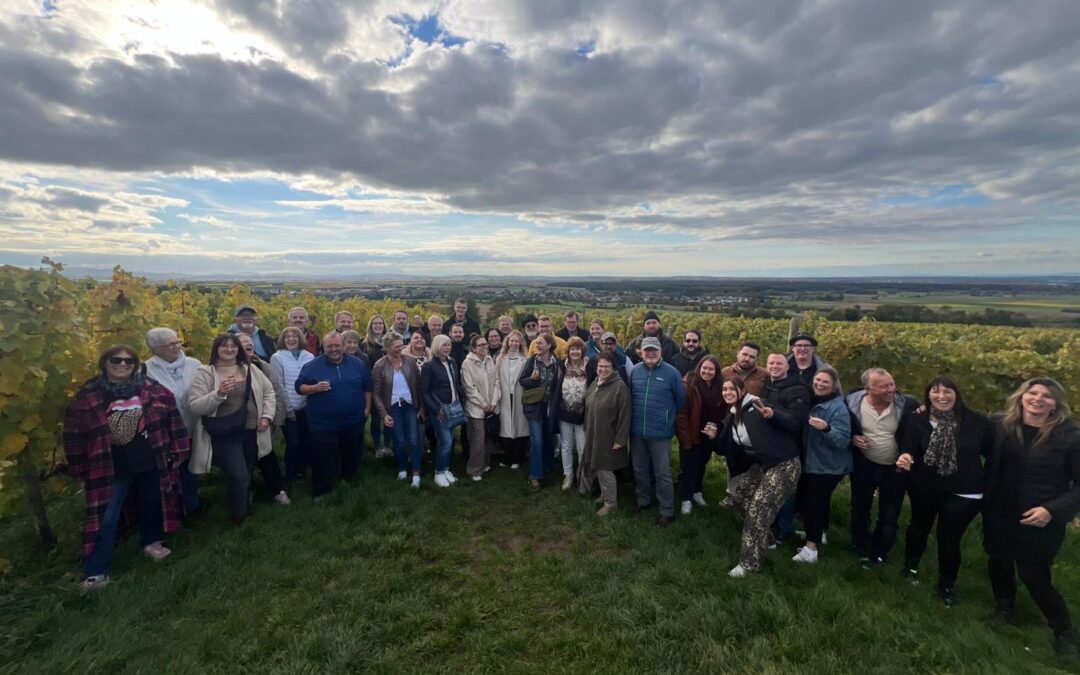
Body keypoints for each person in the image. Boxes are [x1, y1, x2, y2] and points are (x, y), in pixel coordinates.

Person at [64, 344, 189, 591]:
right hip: (109, 468)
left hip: (151, 460)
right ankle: (97, 571)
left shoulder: (152, 390)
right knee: (105, 516)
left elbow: (173, 419)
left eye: (128, 361)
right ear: (104, 363)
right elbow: (74, 436)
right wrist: (79, 468)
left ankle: (151, 542)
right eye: (116, 360)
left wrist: (177, 450)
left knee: (151, 503)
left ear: (136, 365)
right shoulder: (89, 396)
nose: (122, 365)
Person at [983, 378, 1080, 656]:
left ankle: (1063, 631)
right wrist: (919, 409)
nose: (1038, 399)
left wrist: (1052, 510)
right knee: (998, 561)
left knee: (1034, 575)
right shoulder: (1001, 424)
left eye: (1047, 396)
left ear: (1055, 404)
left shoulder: (1070, 436)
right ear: (1021, 396)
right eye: (1033, 392)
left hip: (1040, 517)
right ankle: (1005, 608)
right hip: (999, 510)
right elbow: (966, 426)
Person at [894, 377, 993, 605]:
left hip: (964, 489)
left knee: (949, 538)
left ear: (956, 394)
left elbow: (992, 453)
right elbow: (908, 445)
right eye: (936, 392)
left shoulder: (977, 422)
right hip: (925, 484)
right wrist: (906, 456)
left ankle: (946, 585)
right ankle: (910, 569)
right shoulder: (918, 418)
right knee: (919, 527)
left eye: (947, 391)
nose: (941, 396)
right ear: (928, 395)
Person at [716, 375, 802, 578]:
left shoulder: (758, 404)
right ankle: (768, 539)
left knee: (758, 509)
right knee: (739, 498)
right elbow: (725, 446)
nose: (727, 392)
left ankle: (749, 564)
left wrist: (773, 415)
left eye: (731, 389)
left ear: (742, 390)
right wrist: (713, 437)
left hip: (785, 464)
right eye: (724, 389)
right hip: (763, 464)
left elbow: (793, 424)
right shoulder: (732, 414)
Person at [188, 333, 276, 523]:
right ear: (216, 349)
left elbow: (268, 392)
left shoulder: (249, 369)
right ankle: (239, 516)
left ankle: (244, 506)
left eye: (233, 346)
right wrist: (218, 394)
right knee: (239, 475)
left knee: (248, 469)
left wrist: (267, 416)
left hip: (251, 430)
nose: (229, 349)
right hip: (224, 433)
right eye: (224, 346)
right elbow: (195, 405)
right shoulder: (205, 373)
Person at [847, 367, 919, 567]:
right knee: (860, 508)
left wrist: (909, 454)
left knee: (889, 512)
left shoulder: (908, 404)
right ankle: (859, 545)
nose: (891, 389)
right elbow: (846, 425)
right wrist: (852, 437)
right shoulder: (852, 402)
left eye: (892, 384)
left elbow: (919, 429)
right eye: (884, 386)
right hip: (865, 463)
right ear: (868, 389)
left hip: (894, 468)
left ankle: (879, 551)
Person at [295, 332, 372, 498]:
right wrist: (314, 388)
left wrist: (367, 409)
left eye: (337, 345)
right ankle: (322, 491)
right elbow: (299, 387)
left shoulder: (357, 364)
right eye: (329, 346)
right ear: (324, 347)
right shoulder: (313, 365)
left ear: (343, 346)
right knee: (323, 457)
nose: (334, 349)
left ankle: (347, 479)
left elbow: (367, 387)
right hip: (323, 423)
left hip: (353, 420)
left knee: (351, 453)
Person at [791, 367, 851, 564]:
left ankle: (811, 549)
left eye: (825, 382)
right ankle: (820, 533)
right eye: (817, 380)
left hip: (828, 465)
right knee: (820, 501)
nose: (820, 384)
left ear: (833, 385)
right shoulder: (812, 401)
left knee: (813, 503)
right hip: (813, 461)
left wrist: (827, 428)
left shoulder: (837, 408)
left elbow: (843, 440)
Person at [629, 336, 687, 526]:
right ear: (641, 352)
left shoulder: (672, 373)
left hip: (661, 434)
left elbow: (680, 400)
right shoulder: (635, 371)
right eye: (647, 350)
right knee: (640, 469)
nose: (650, 353)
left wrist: (666, 418)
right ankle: (643, 500)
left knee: (662, 473)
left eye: (654, 350)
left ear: (660, 351)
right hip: (637, 431)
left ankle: (666, 510)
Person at [143, 327, 201, 516]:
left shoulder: (195, 364)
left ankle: (191, 506)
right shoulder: (145, 370)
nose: (176, 346)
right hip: (168, 432)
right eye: (170, 344)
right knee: (173, 469)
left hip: (195, 425)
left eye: (177, 342)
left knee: (192, 467)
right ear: (156, 349)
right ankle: (174, 510)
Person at [235, 333, 291, 506]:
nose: (249, 345)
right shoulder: (224, 367)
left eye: (250, 343)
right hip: (237, 425)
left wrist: (273, 417)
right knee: (243, 461)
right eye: (244, 344)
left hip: (261, 423)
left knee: (267, 456)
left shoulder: (261, 366)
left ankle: (277, 490)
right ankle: (246, 492)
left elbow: (274, 391)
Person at [763, 353, 811, 543]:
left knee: (786, 489)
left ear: (787, 367)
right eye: (771, 363)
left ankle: (783, 529)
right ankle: (772, 523)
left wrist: (773, 415)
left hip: (788, 447)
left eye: (778, 363)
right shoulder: (768, 385)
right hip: (768, 444)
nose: (774, 366)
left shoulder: (798, 390)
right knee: (771, 486)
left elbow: (796, 421)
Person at [580, 352, 632, 516]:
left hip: (609, 435)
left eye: (606, 366)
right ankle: (604, 494)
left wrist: (620, 439)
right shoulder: (596, 382)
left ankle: (611, 504)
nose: (602, 369)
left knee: (605, 467)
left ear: (613, 368)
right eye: (600, 366)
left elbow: (625, 414)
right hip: (594, 432)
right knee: (597, 464)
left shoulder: (619, 387)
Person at [372, 332, 424, 488]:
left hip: (410, 405)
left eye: (401, 345)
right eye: (396, 347)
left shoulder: (410, 362)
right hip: (393, 407)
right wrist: (384, 414)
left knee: (414, 439)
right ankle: (402, 470)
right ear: (387, 348)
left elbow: (419, 386)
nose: (400, 349)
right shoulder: (379, 366)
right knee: (399, 441)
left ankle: (416, 473)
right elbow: (376, 393)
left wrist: (422, 408)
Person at [719, 341, 768, 506]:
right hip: (731, 422)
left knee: (752, 462)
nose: (747, 358)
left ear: (757, 359)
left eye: (751, 356)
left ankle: (749, 496)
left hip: (753, 426)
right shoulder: (724, 372)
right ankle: (731, 494)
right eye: (745, 354)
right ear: (738, 354)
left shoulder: (764, 375)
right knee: (732, 460)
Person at [674, 355, 725, 515]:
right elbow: (681, 414)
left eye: (711, 369)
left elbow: (722, 409)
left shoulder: (719, 386)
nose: (707, 371)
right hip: (691, 432)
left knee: (702, 464)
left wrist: (716, 428)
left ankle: (697, 492)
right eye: (704, 368)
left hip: (708, 433)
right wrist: (685, 439)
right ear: (699, 368)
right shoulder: (689, 384)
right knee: (690, 467)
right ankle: (686, 499)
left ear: (716, 372)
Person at [420, 334, 466, 487]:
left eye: (449, 345)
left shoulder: (452, 362)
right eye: (444, 345)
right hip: (439, 409)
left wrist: (462, 399)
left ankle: (446, 469)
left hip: (453, 407)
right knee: (445, 443)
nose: (447, 348)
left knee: (450, 441)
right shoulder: (429, 366)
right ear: (436, 347)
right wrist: (436, 409)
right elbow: (424, 392)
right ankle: (438, 472)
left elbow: (456, 383)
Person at [270, 327, 314, 481]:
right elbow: (279, 385)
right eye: (287, 336)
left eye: (295, 335)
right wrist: (288, 410)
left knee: (306, 440)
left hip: (307, 407)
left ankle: (303, 470)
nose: (291, 339)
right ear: (282, 339)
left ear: (300, 338)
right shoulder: (277, 357)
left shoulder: (309, 356)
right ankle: (291, 474)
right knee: (293, 442)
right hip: (289, 408)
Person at [520, 333, 563, 491]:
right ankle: (535, 476)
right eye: (537, 343)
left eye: (540, 343)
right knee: (536, 441)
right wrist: (532, 379)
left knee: (549, 439)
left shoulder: (558, 364)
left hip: (550, 409)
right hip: (534, 408)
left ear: (549, 345)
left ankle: (547, 467)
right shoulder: (532, 361)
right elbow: (522, 381)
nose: (537, 346)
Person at [461, 334, 500, 481]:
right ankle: (474, 469)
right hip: (476, 409)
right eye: (480, 345)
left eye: (485, 344)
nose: (484, 347)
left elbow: (496, 381)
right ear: (473, 348)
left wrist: (494, 401)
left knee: (489, 438)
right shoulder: (467, 363)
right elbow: (469, 388)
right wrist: (484, 405)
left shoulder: (490, 360)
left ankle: (485, 463)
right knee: (477, 439)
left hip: (492, 406)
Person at [556, 337, 589, 490]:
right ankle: (568, 475)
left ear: (582, 350)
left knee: (582, 448)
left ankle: (582, 476)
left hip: (582, 414)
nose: (575, 351)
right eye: (572, 349)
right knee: (566, 446)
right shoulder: (562, 365)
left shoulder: (590, 366)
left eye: (578, 348)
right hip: (565, 412)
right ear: (568, 351)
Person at [496, 330, 530, 470]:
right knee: (505, 428)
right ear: (507, 342)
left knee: (520, 427)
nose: (514, 343)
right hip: (504, 396)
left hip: (519, 395)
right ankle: (508, 456)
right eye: (512, 341)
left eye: (517, 341)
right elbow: (496, 377)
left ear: (521, 343)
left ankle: (518, 458)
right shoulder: (500, 358)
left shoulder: (525, 358)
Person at [362, 315, 389, 459]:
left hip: (388, 386)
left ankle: (388, 446)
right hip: (372, 387)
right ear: (370, 326)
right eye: (375, 323)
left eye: (380, 323)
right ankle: (378, 446)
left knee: (388, 415)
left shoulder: (388, 344)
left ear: (384, 326)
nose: (378, 326)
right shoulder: (365, 345)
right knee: (376, 418)